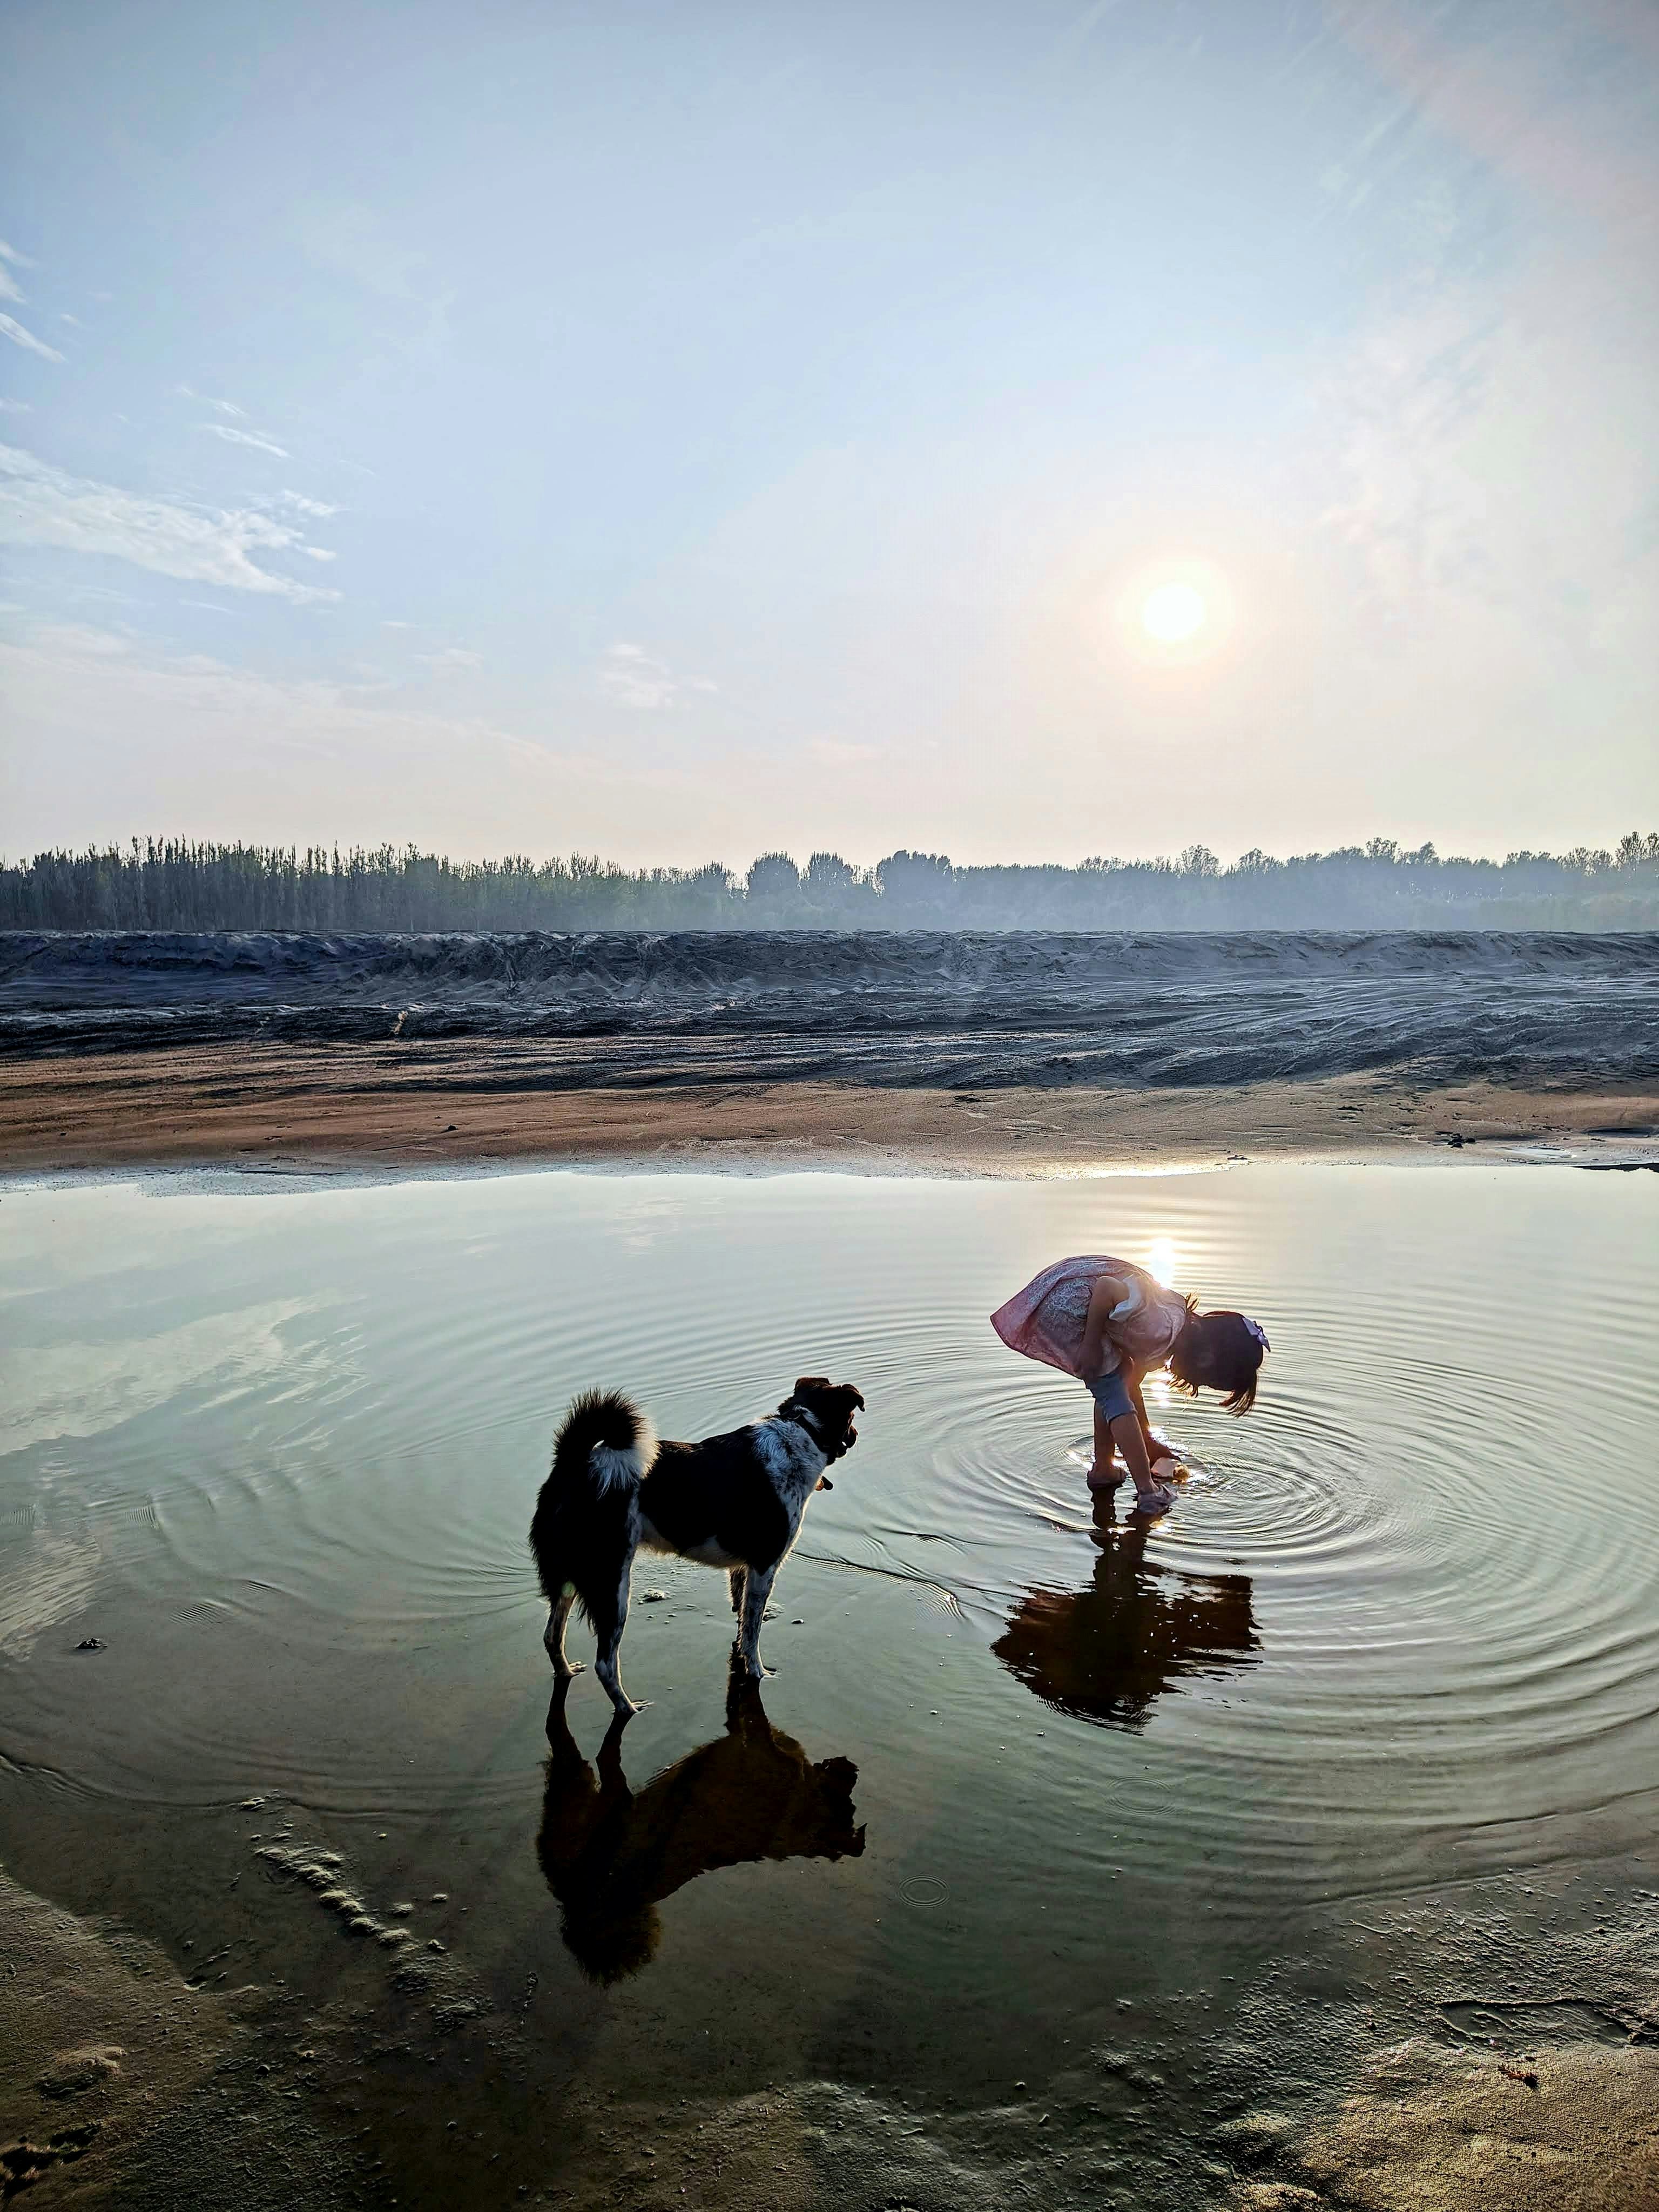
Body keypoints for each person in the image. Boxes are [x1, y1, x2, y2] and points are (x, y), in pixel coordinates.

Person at [990, 1255, 1269, 1516]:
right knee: (1110, 1384)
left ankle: (1104, 1470)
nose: (1196, 1384)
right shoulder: (1159, 1326)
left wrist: (1147, 1441)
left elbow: (1131, 1387)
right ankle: (1148, 1492)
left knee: (1115, 1381)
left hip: (1074, 1300)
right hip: (1071, 1305)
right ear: (1208, 1357)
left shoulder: (1169, 1330)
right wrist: (1090, 1344)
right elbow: (1105, 1289)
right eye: (1206, 1380)